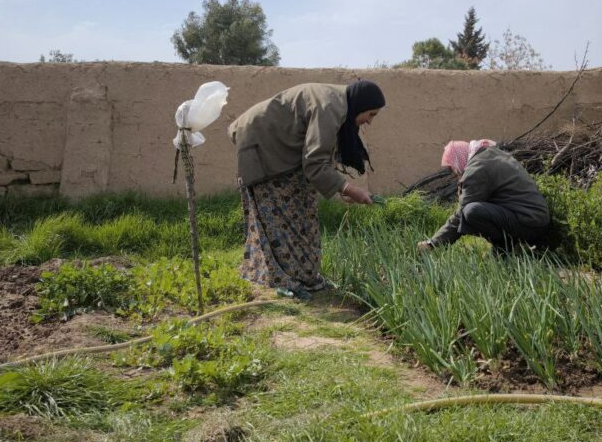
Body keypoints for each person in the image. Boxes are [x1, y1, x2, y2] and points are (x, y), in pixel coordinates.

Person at [228, 81, 385, 295]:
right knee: (280, 218)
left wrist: (341, 189)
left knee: (303, 213)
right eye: (371, 114)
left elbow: (320, 153)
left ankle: (304, 276)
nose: (369, 121)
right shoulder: (330, 107)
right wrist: (349, 189)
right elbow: (314, 162)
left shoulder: (340, 106)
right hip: (262, 143)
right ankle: (283, 278)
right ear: (361, 105)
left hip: (282, 150)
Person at [418, 139, 550, 256]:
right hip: (537, 219)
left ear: (459, 158)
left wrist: (433, 244)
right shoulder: (490, 154)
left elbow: (461, 215)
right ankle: (507, 248)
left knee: (471, 211)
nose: (455, 173)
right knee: (473, 210)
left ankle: (504, 249)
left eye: (453, 168)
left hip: (528, 223)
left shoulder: (477, 169)